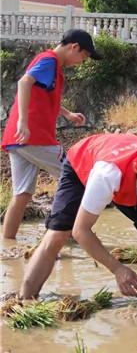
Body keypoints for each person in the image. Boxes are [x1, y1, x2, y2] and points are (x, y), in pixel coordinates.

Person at [19, 133, 137, 299]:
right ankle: (24, 299)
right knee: (58, 234)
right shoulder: (107, 174)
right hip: (83, 162)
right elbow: (81, 231)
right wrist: (117, 268)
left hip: (126, 170)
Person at [1, 29, 101, 239]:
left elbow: (44, 95)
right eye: (82, 57)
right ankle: (62, 235)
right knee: (76, 176)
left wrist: (67, 114)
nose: (81, 62)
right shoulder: (49, 61)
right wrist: (23, 122)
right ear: (74, 47)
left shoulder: (51, 66)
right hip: (33, 137)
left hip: (17, 140)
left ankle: (7, 243)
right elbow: (23, 82)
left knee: (22, 195)